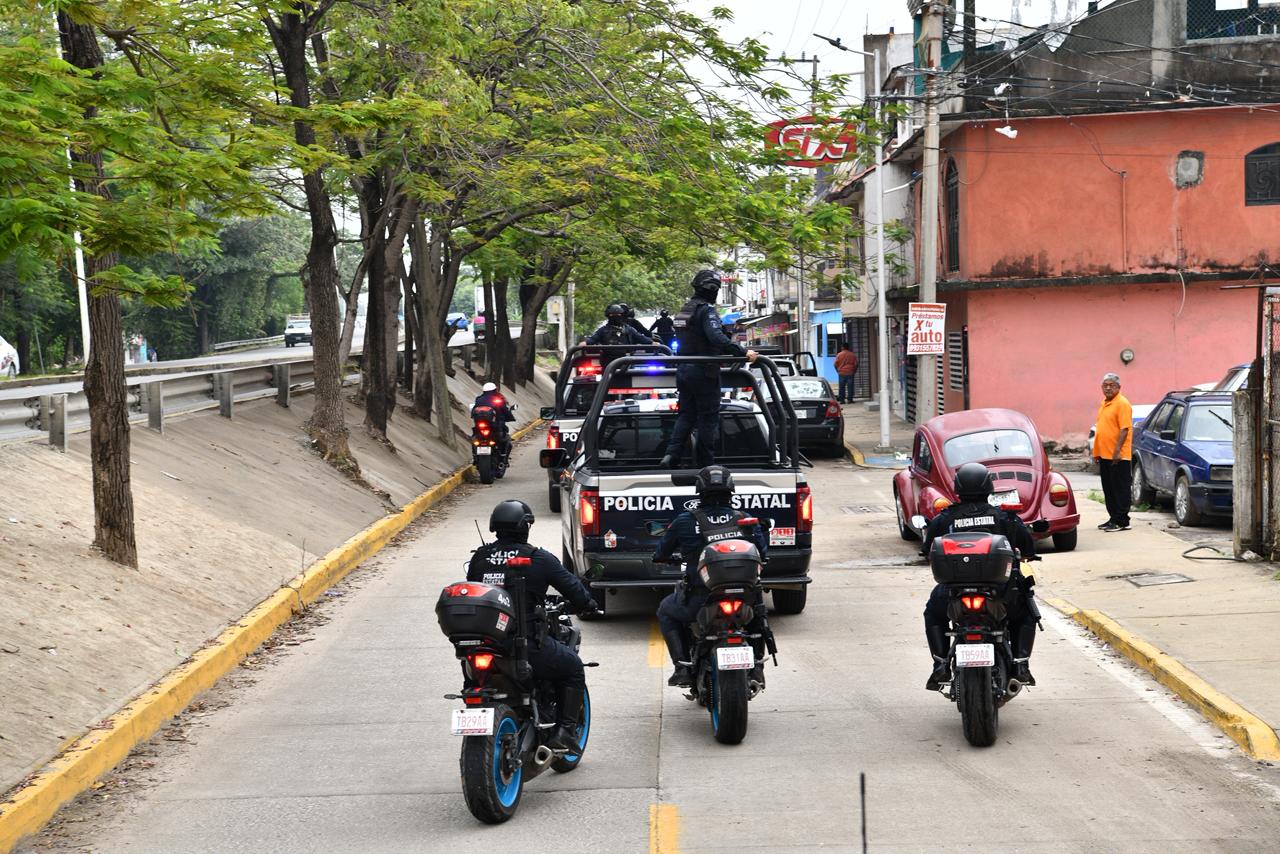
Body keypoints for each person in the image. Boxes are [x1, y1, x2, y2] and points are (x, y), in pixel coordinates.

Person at [468, 500, 599, 750]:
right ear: (525, 527)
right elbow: (575, 591)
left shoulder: (480, 558)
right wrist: (589, 604)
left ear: (494, 526)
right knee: (572, 668)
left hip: (483, 645)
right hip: (524, 646)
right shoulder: (538, 559)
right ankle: (564, 733)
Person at [921, 462, 1040, 689]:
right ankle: (1021, 664)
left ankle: (939, 664)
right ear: (988, 487)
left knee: (933, 613)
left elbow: (928, 551)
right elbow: (1027, 549)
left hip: (953, 593)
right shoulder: (1004, 517)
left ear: (957, 488)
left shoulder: (944, 519)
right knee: (1025, 612)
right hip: (1001, 593)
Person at [653, 465, 770, 688]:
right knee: (758, 619)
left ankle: (682, 669)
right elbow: (763, 554)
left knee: (666, 611)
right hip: (745, 598)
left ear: (700, 491)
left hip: (700, 600)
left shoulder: (685, 521)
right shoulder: (744, 519)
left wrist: (663, 557)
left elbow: (661, 553)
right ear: (731, 490)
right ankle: (757, 668)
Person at [658, 271, 758, 468]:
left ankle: (672, 455)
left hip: (684, 370)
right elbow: (716, 337)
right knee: (708, 417)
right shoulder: (706, 310)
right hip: (704, 371)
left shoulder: (685, 310)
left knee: (686, 414)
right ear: (712, 289)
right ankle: (706, 464)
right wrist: (742, 351)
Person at [1094, 372, 1133, 532]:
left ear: (1119, 387)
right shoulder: (1105, 403)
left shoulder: (1122, 403)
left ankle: (1122, 521)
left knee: (1120, 489)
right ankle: (1113, 518)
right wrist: (1096, 452)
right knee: (1108, 489)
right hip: (1104, 455)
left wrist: (1117, 452)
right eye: (1105, 385)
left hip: (1118, 456)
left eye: (1112, 385)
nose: (1108, 388)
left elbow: (1124, 429)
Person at [473, 381, 515, 456]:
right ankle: (503, 458)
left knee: (475, 439)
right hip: (495, 427)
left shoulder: (478, 399)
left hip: (479, 428)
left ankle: (475, 456)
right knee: (506, 440)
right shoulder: (498, 400)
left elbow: (473, 410)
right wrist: (511, 418)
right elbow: (505, 410)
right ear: (495, 390)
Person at [585, 303, 653, 346]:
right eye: (612, 315)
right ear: (608, 316)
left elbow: (640, 337)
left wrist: (652, 342)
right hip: (608, 360)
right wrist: (585, 343)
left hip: (626, 360)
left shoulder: (628, 329)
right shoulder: (603, 330)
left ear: (622, 315)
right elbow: (593, 339)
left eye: (618, 314)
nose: (616, 317)